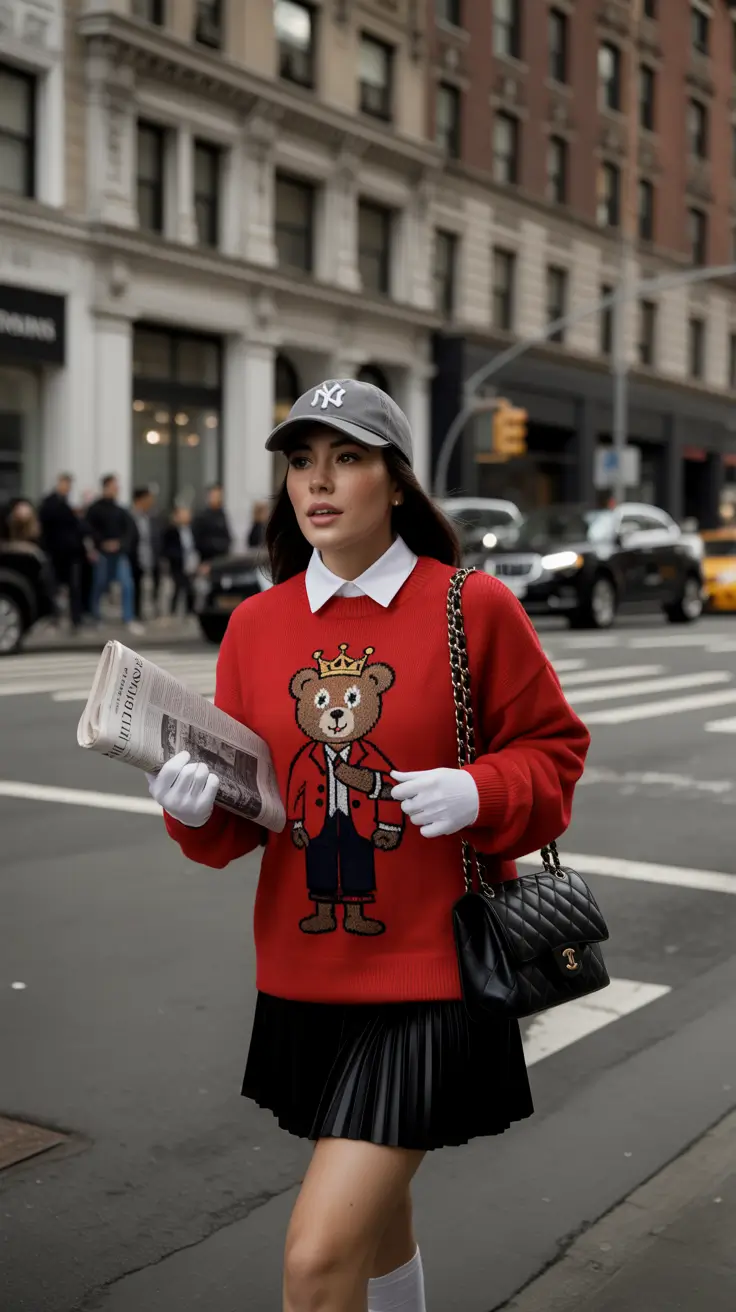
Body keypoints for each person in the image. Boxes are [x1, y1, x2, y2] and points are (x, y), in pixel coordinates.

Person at [148, 379, 590, 1312]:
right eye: (302, 461)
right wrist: (192, 809)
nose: (319, 481)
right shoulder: (256, 627)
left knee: (316, 1261)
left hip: (434, 974)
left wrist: (481, 788)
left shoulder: (472, 606)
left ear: (396, 484)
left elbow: (555, 756)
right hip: (306, 971)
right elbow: (244, 819)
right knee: (377, 1230)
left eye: (347, 458)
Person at [86, 475, 142, 634]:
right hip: (102, 554)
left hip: (119, 553)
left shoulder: (120, 510)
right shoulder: (95, 509)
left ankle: (128, 618)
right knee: (99, 585)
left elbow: (129, 531)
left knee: (126, 584)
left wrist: (120, 544)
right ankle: (96, 617)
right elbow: (89, 530)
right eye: (113, 486)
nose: (116, 489)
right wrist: (101, 543)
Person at [38, 474, 87, 631]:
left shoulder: (67, 504)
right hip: (55, 552)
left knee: (74, 587)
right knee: (54, 587)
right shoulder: (51, 503)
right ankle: (54, 618)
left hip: (71, 553)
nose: (67, 488)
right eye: (65, 484)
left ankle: (75, 619)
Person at [130, 486, 163, 621]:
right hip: (136, 556)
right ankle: (136, 613)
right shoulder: (131, 516)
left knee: (156, 583)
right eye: (148, 499)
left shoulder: (152, 517)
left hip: (152, 555)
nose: (151, 502)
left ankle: (154, 610)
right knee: (136, 585)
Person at [161, 505, 199, 616]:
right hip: (177, 563)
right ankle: (173, 610)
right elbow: (166, 548)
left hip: (191, 561)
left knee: (190, 588)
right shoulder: (171, 531)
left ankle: (190, 611)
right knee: (179, 586)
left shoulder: (193, 529)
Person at [192, 482, 232, 565]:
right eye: (214, 495)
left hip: (221, 559)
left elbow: (227, 537)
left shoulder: (222, 515)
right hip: (207, 560)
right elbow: (198, 540)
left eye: (219, 496)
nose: (217, 498)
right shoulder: (202, 517)